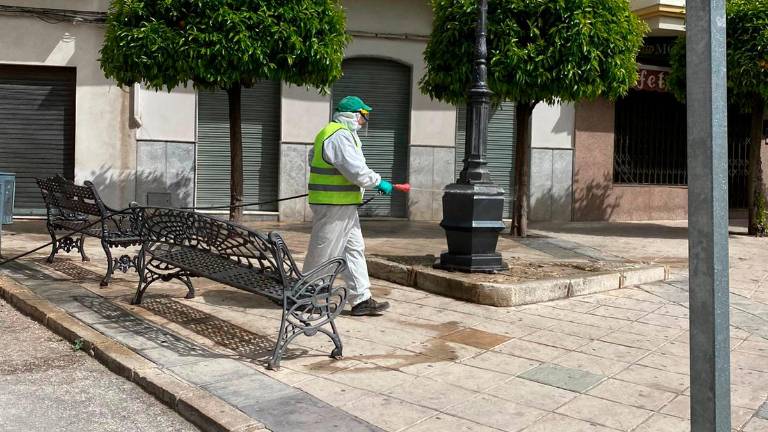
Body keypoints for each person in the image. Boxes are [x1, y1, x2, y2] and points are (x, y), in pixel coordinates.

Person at [303, 96, 391, 316]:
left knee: (354, 249)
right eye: (363, 116)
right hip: (333, 204)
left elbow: (314, 158)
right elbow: (356, 171)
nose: (364, 121)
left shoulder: (333, 133)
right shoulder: (339, 135)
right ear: (352, 115)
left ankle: (361, 299)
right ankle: (307, 296)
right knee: (324, 251)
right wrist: (378, 181)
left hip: (341, 203)